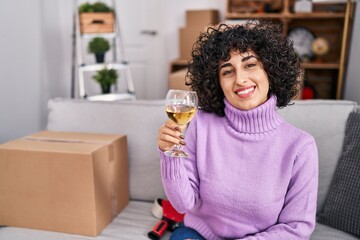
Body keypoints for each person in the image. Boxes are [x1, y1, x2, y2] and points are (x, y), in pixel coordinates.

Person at [157, 20, 318, 240]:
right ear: (217, 82)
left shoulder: (300, 147)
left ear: (270, 70)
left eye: (250, 65)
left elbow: (296, 228)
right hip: (199, 234)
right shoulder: (201, 124)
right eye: (227, 71)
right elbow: (184, 203)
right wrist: (169, 155)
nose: (240, 79)